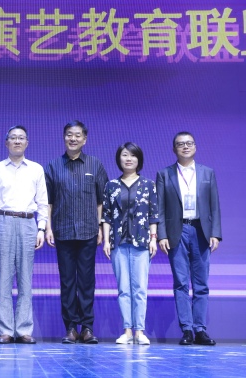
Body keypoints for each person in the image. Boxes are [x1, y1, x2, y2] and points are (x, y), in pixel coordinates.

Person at [0, 125, 48, 344]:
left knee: (25, 278)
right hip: (3, 222)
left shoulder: (36, 169)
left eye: (21, 138)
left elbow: (43, 202)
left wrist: (41, 228)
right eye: (13, 138)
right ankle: (5, 330)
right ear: (6, 142)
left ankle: (23, 329)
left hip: (28, 223)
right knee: (4, 278)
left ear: (27, 143)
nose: (17, 141)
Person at [44, 120, 108, 344]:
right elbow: (48, 202)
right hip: (62, 231)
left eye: (78, 135)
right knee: (67, 282)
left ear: (85, 139)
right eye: (69, 135)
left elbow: (101, 200)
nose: (73, 138)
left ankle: (87, 327)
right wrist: (48, 228)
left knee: (87, 282)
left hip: (88, 231)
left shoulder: (95, 164)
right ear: (64, 138)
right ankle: (71, 327)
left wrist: (100, 227)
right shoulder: (53, 166)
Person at [156, 131, 222, 346]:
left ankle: (200, 329)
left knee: (201, 283)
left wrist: (215, 233)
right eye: (180, 144)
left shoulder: (207, 173)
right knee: (181, 282)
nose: (185, 147)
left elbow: (214, 205)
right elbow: (160, 208)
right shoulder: (164, 174)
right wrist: (162, 234)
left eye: (189, 143)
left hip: (201, 230)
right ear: (174, 149)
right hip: (177, 231)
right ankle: (186, 329)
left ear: (195, 147)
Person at [102, 142, 159, 345]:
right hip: (118, 242)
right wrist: (106, 241)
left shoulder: (148, 185)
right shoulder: (111, 186)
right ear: (119, 158)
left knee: (140, 288)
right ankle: (127, 331)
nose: (128, 159)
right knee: (123, 288)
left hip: (141, 242)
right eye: (125, 155)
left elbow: (153, 215)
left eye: (133, 155)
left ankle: (139, 332)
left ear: (139, 159)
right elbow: (106, 216)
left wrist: (153, 239)